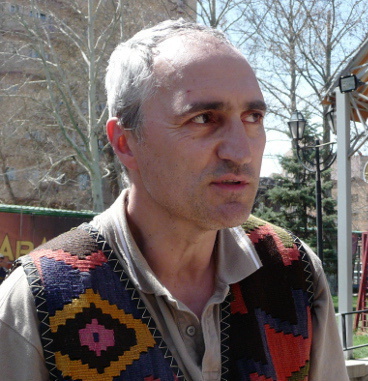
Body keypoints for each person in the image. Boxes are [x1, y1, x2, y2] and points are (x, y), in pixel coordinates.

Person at [0, 19, 349, 381]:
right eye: (203, 118)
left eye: (253, 117)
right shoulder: (38, 301)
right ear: (125, 141)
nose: (242, 151)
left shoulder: (293, 271)